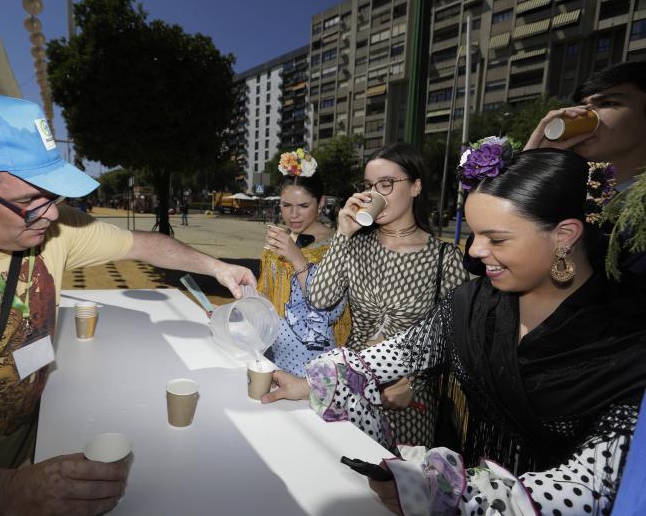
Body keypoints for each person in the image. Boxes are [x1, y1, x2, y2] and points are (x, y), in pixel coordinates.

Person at [0, 91, 256, 515]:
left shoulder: (43, 226)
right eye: (28, 202)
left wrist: (217, 266)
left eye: (53, 195)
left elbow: (147, 245)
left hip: (29, 458)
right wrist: (8, 492)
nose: (53, 216)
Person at [263, 145, 646, 515]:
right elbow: (403, 351)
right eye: (476, 234)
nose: (475, 251)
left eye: (495, 238)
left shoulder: (626, 345)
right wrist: (310, 384)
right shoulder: (476, 303)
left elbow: (589, 485)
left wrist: (455, 497)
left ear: (564, 235)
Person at [306, 142, 468, 447]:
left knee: (398, 487)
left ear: (416, 186)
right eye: (369, 186)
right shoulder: (354, 245)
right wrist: (342, 232)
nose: (375, 194)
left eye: (386, 184)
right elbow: (320, 298)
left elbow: (454, 338)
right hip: (351, 389)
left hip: (408, 399)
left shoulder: (444, 258)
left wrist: (414, 382)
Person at [524, 60, 646, 278]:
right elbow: (479, 260)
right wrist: (530, 167)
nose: (583, 114)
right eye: (582, 105)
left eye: (607, 103)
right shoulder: (570, 192)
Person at [257, 149, 350, 376]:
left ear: (321, 203)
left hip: (313, 361)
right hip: (272, 353)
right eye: (286, 205)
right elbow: (265, 298)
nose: (293, 215)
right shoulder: (278, 241)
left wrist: (296, 257)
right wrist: (240, 309)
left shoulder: (339, 245)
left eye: (303, 206)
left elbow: (330, 309)